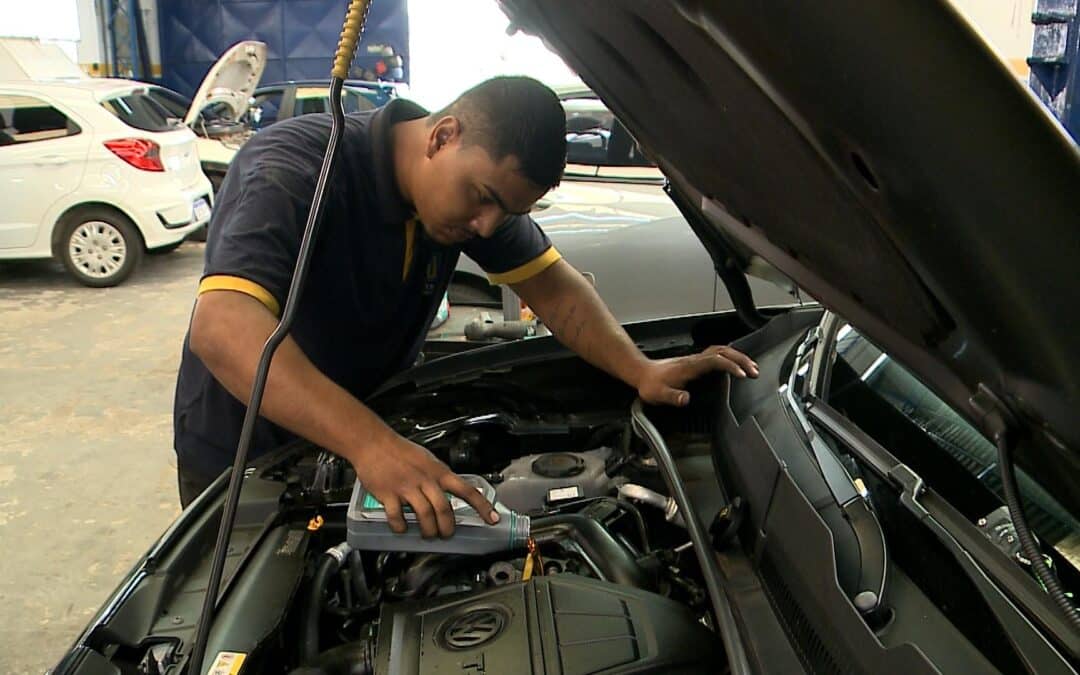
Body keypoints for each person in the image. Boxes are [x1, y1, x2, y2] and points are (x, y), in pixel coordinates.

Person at [172, 76, 759, 535]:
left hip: (359, 436)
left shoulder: (470, 201)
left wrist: (641, 370)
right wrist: (371, 444)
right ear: (442, 136)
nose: (486, 225)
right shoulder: (296, 168)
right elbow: (224, 328)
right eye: (483, 199)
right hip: (249, 457)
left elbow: (554, 288)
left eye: (504, 214)